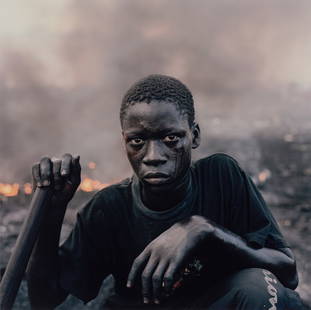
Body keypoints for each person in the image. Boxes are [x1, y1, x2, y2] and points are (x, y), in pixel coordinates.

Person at [27, 74, 301, 309]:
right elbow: (44, 300)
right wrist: (52, 212)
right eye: (137, 141)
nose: (153, 156)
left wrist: (206, 231)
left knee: (258, 288)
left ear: (194, 136)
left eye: (170, 138)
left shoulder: (221, 176)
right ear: (124, 141)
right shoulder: (108, 208)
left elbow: (287, 273)